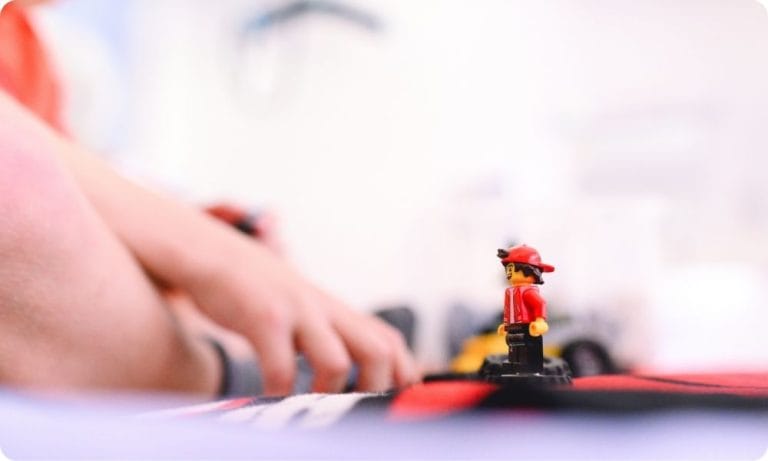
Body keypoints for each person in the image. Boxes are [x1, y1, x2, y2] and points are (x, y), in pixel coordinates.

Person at [0, 1, 419, 396]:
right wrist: (212, 254)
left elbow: (73, 209)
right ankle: (223, 377)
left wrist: (189, 252)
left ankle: (261, 357)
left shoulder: (38, 46)